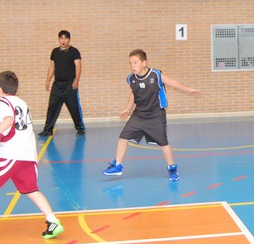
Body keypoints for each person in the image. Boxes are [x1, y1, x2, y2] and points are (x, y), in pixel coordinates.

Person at [0, 71, 64, 239]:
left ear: (0, 89)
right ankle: (53, 221)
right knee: (30, 189)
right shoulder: (21, 102)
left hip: (10, 153)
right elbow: (15, 123)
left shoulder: (2, 101)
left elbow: (8, 121)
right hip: (28, 154)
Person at [103, 49, 201, 181]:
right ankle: (118, 166)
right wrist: (127, 109)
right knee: (123, 138)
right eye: (130, 63)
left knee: (163, 143)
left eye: (135, 62)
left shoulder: (156, 74)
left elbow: (173, 82)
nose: (132, 66)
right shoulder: (131, 79)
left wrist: (189, 90)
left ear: (144, 63)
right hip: (139, 115)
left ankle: (172, 168)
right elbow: (133, 94)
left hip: (156, 115)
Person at [39, 30, 86, 137]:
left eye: (65, 38)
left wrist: (76, 81)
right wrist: (48, 81)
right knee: (52, 107)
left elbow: (78, 67)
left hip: (70, 84)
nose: (63, 40)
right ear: (59, 39)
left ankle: (80, 127)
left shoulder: (74, 51)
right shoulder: (55, 52)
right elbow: (52, 67)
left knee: (74, 107)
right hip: (57, 85)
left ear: (69, 39)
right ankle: (47, 129)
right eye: (61, 38)